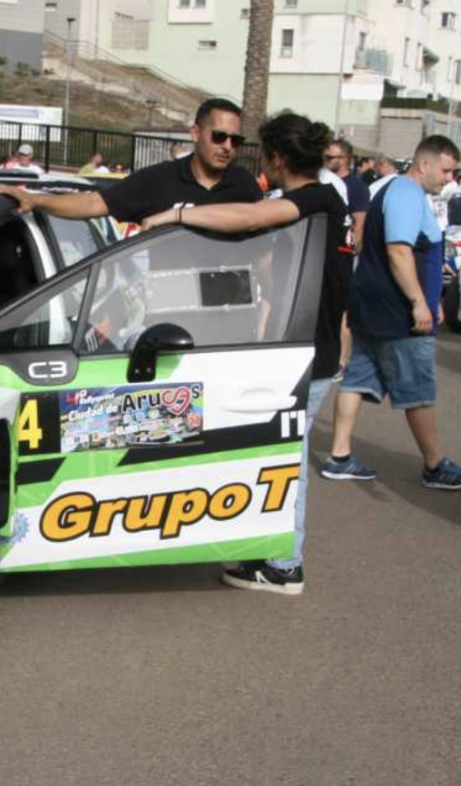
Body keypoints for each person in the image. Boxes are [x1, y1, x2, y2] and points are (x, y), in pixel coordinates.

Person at [140, 112, 349, 596]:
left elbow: (252, 218)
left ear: (277, 158)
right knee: (276, 454)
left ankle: (284, 566)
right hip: (310, 352)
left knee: (288, 460)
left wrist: (175, 216)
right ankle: (270, 552)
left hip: (307, 356)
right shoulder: (329, 202)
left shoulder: (314, 200)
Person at [321, 135, 461, 490]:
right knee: (417, 389)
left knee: (358, 380)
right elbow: (398, 251)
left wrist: (431, 300)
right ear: (424, 164)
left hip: (376, 306)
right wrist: (418, 302)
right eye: (446, 170)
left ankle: (339, 457)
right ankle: (434, 465)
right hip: (397, 313)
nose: (449, 178)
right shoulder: (405, 194)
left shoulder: (400, 192)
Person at [0, 98, 263, 224]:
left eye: (235, 140)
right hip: (169, 310)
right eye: (219, 136)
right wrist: (36, 200)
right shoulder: (158, 180)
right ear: (195, 133)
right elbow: (93, 203)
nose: (227, 146)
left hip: (235, 311)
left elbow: (266, 251)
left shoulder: (245, 187)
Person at [325, 138, 368, 246]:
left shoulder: (356, 186)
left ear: (344, 159)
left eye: (329, 158)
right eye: (324, 157)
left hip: (340, 246)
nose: (325, 160)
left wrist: (352, 249)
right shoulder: (322, 180)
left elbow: (359, 223)